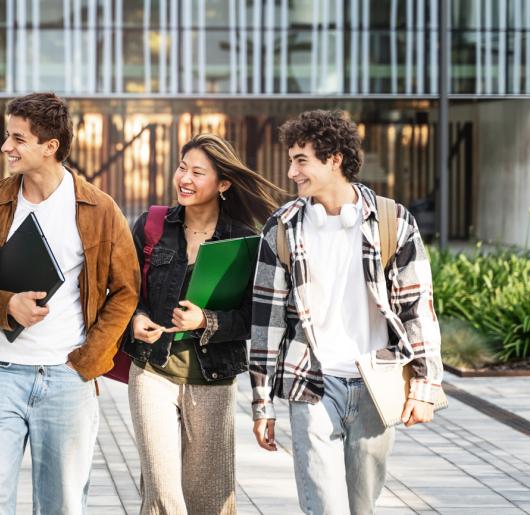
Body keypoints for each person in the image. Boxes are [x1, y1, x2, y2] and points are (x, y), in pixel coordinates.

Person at [250, 110, 444, 514]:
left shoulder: (393, 222)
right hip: (311, 382)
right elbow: (265, 323)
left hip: (377, 384)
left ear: (334, 158)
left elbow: (417, 308)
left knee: (362, 506)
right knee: (324, 506)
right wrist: (262, 403)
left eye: (301, 160)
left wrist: (425, 387)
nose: (291, 172)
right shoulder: (282, 228)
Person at [0, 92, 139, 514]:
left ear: (50, 146)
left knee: (62, 505)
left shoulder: (100, 209)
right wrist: (6, 305)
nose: (6, 147)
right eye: (7, 136)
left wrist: (91, 359)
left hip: (66, 379)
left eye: (18, 139)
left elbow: (126, 289)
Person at [122, 134, 282, 514]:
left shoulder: (245, 241)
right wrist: (136, 318)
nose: (185, 179)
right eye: (182, 167)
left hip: (212, 380)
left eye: (197, 172)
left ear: (223, 183)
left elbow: (252, 318)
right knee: (163, 495)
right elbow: (126, 291)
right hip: (152, 370)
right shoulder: (152, 225)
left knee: (210, 499)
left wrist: (204, 320)